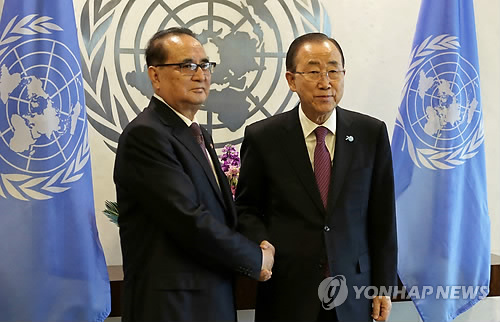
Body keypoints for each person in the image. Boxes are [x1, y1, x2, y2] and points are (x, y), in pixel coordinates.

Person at [113, 27, 274, 322]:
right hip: (171, 308)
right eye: (187, 65)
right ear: (155, 75)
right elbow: (188, 219)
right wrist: (255, 258)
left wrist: (258, 239)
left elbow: (221, 215)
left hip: (211, 299)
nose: (201, 74)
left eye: (205, 65)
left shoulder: (198, 134)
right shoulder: (146, 135)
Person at [235, 32, 397, 322]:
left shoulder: (370, 133)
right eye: (313, 71)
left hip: (354, 291)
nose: (325, 82)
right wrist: (261, 244)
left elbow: (383, 216)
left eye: (333, 70)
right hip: (288, 290)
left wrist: (383, 285)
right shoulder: (264, 137)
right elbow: (247, 208)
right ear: (291, 79)